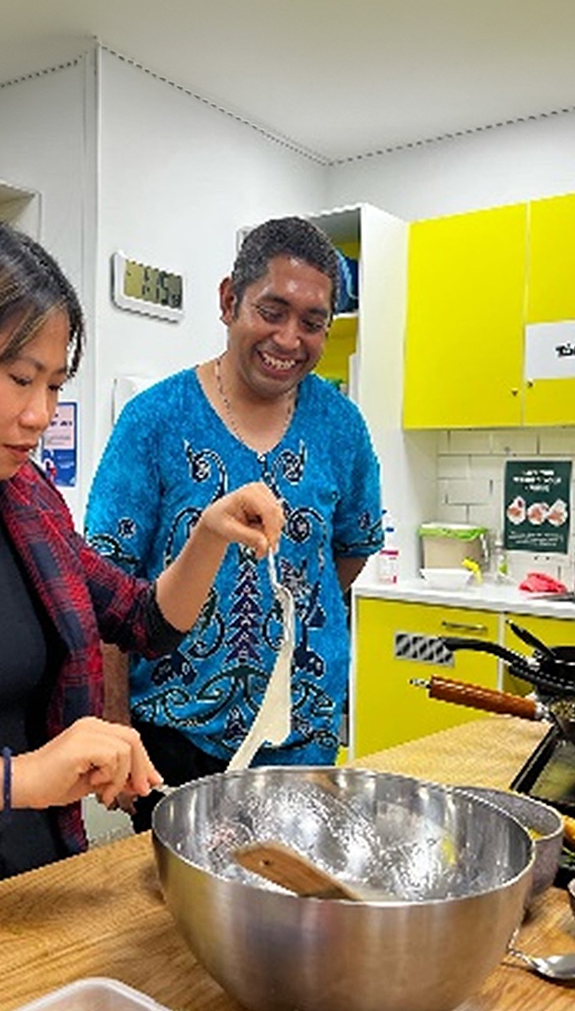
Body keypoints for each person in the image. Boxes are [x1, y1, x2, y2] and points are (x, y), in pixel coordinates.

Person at [0, 217, 282, 915]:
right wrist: (23, 778)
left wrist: (208, 535)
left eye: (55, 386)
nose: (41, 415)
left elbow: (141, 620)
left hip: (40, 889)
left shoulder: (26, 496)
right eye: (19, 379)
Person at [86, 216, 382, 831]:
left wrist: (292, 611)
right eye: (271, 311)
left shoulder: (342, 428)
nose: (289, 338)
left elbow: (347, 555)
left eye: (313, 321)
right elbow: (107, 584)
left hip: (303, 735)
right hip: (175, 727)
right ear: (228, 301)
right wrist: (114, 721)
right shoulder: (154, 422)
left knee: (297, 900)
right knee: (179, 912)